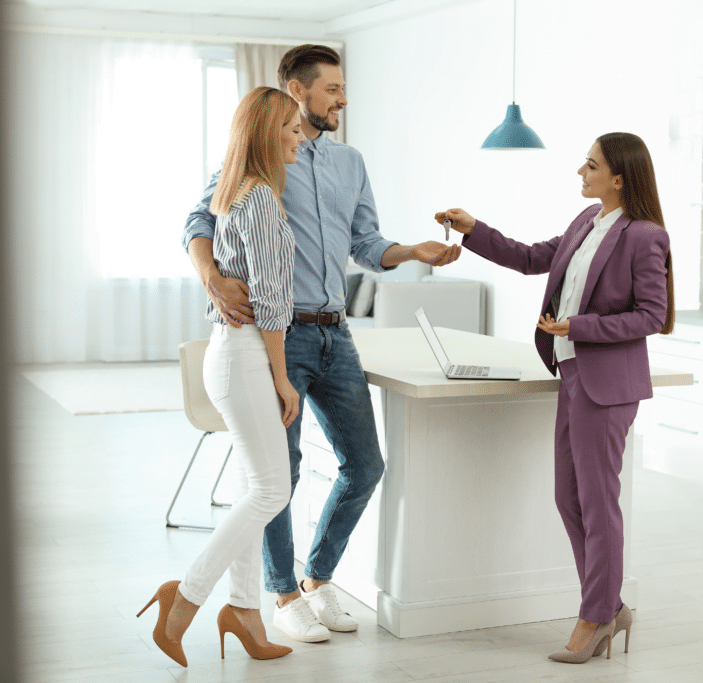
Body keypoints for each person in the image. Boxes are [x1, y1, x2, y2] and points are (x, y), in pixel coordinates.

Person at [182, 45, 461, 643]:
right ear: (296, 88)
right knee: (278, 473)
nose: (342, 99)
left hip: (336, 332)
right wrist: (211, 275)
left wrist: (411, 251)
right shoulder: (261, 156)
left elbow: (366, 244)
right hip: (273, 337)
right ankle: (282, 594)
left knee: (365, 465)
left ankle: (318, 577)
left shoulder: (350, 163)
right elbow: (199, 220)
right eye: (332, 88)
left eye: (342, 88)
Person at [435, 132, 675, 664]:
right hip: (573, 376)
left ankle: (595, 617)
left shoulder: (644, 236)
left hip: (607, 385)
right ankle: (610, 606)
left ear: (619, 177)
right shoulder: (584, 224)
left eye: (590, 165)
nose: (580, 172)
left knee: (597, 501)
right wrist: (474, 230)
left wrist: (578, 326)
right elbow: (527, 258)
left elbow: (650, 317)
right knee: (569, 497)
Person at [139, 86, 307, 667]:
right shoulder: (258, 199)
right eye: (290, 126)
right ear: (266, 132)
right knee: (272, 490)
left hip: (234, 352)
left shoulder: (241, 194)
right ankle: (183, 600)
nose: (299, 135)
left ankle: (244, 612)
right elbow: (271, 299)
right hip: (244, 355)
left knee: (251, 488)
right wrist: (283, 379)